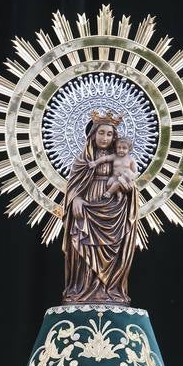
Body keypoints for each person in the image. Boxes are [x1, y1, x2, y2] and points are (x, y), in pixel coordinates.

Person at [61, 112, 138, 305]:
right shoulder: (82, 159)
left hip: (114, 209)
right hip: (87, 208)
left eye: (109, 134)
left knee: (114, 249)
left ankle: (110, 290)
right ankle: (83, 289)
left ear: (115, 137)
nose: (105, 138)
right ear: (93, 134)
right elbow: (72, 186)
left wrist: (128, 187)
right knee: (84, 246)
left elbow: (131, 180)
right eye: (101, 133)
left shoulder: (121, 158)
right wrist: (75, 199)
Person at [89, 137, 138, 201]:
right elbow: (105, 158)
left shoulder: (131, 160)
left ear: (129, 149)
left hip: (124, 180)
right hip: (114, 177)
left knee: (117, 183)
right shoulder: (115, 156)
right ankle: (118, 192)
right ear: (116, 148)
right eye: (119, 147)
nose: (121, 150)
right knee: (109, 184)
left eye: (124, 148)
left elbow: (135, 172)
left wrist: (131, 177)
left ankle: (108, 193)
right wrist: (95, 163)